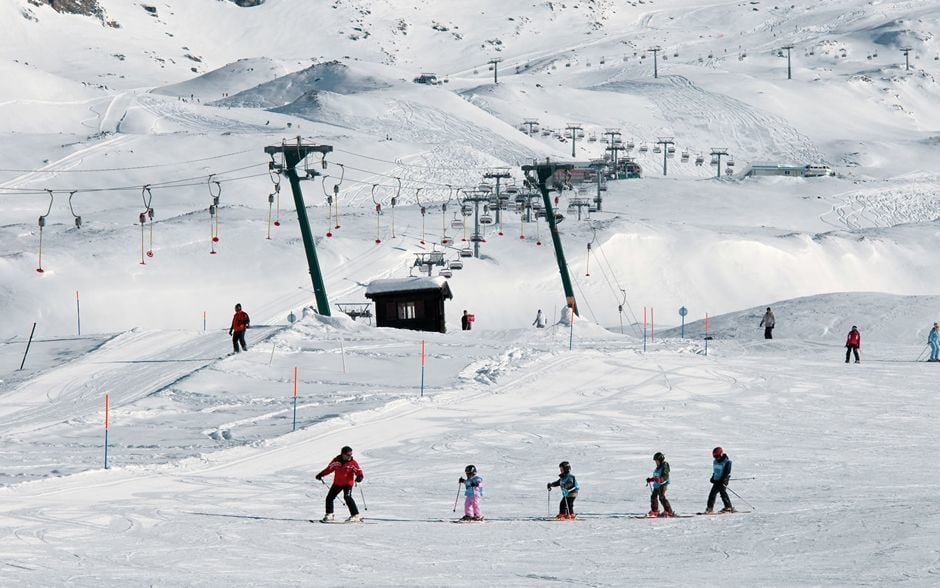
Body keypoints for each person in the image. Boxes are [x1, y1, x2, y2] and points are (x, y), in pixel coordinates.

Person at [316, 446, 364, 522]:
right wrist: (321, 474)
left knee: (347, 497)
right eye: (348, 455)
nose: (350, 456)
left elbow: (358, 471)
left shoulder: (352, 463)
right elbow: (329, 469)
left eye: (351, 454)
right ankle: (329, 515)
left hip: (348, 483)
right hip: (337, 483)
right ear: (343, 454)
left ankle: (355, 515)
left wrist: (360, 477)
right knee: (329, 498)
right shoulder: (336, 461)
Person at [704, 447, 734, 514]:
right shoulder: (715, 462)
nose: (716, 458)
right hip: (717, 480)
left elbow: (727, 472)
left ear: (721, 454)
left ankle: (728, 507)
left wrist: (723, 479)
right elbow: (716, 471)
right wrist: (713, 477)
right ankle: (709, 508)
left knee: (723, 493)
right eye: (715, 456)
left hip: (723, 480)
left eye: (717, 456)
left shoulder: (727, 462)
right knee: (712, 494)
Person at [646, 452, 674, 517]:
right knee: (653, 497)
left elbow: (665, 475)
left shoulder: (665, 466)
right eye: (655, 461)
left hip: (662, 484)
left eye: (657, 461)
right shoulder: (658, 467)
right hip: (657, 485)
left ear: (660, 460)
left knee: (662, 497)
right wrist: (651, 479)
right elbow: (656, 477)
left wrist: (661, 479)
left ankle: (669, 511)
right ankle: (655, 511)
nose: (656, 462)